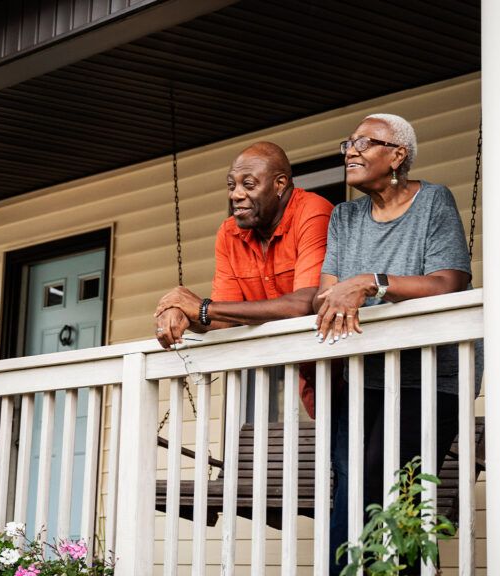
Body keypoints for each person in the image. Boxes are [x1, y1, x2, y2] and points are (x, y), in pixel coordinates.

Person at [314, 113, 481, 573]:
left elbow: (448, 281)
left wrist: (371, 282)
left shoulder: (433, 202)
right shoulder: (345, 217)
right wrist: (349, 289)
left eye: (364, 143)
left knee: (392, 490)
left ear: (398, 155)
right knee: (351, 490)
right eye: (348, 143)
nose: (350, 151)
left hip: (430, 376)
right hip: (365, 373)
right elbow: (329, 293)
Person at [154, 142, 334, 359]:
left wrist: (202, 308)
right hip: (286, 365)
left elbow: (303, 305)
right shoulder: (229, 233)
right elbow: (224, 319)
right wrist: (182, 314)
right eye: (231, 185)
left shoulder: (313, 212)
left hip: (338, 359)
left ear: (279, 184)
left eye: (248, 185)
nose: (235, 195)